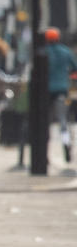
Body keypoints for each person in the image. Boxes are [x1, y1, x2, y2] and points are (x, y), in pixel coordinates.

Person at [44, 27, 77, 162]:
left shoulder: (44, 52)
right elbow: (75, 68)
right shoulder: (65, 51)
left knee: (45, 123)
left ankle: (44, 153)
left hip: (46, 91)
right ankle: (66, 144)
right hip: (62, 90)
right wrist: (66, 75)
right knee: (63, 120)